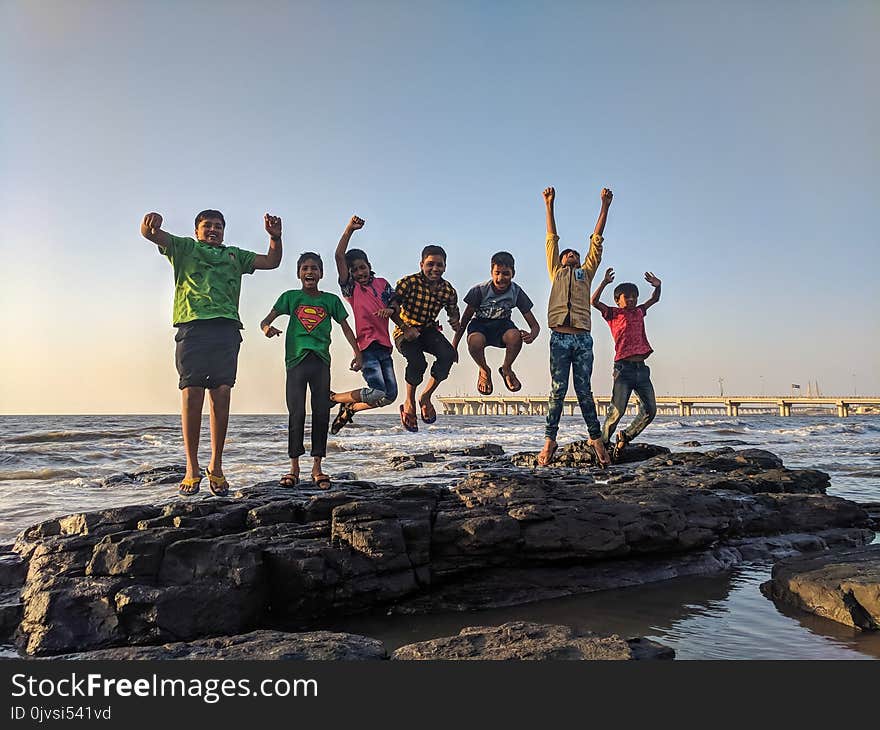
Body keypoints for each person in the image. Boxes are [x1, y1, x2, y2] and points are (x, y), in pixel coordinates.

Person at [140, 210, 282, 497]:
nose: (213, 230)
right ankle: (192, 467)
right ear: (197, 230)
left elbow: (271, 261)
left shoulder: (234, 255)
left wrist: (274, 237)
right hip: (192, 327)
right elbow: (151, 235)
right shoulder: (185, 248)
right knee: (191, 393)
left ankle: (215, 466)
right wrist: (150, 223)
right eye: (208, 226)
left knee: (221, 393)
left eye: (218, 226)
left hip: (226, 329)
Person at [260, 252, 361, 489]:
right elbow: (265, 320)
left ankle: (317, 467)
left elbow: (346, 328)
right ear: (298, 273)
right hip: (295, 361)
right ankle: (293, 467)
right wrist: (266, 328)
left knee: (320, 413)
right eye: (305, 268)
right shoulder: (290, 297)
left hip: (320, 361)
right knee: (296, 413)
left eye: (314, 268)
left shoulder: (330, 300)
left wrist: (358, 352)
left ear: (321, 273)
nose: (310, 272)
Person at [536, 186, 613, 468]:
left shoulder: (586, 273)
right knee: (557, 391)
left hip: (582, 340)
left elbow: (596, 242)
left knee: (584, 391)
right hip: (559, 337)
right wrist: (549, 204)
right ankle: (549, 440)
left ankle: (595, 439)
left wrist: (604, 206)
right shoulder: (555, 271)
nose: (570, 255)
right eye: (566, 254)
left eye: (574, 255)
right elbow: (551, 239)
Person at [328, 215, 400, 434]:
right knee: (377, 392)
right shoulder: (352, 290)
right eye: (355, 270)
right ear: (350, 274)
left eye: (362, 267)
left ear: (369, 266)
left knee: (390, 396)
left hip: (385, 347)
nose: (360, 273)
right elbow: (339, 256)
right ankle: (333, 398)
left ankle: (350, 408)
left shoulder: (382, 284)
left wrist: (392, 310)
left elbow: (395, 303)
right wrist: (350, 229)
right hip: (367, 346)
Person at [591, 267, 661, 460]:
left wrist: (658, 286)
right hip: (623, 369)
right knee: (617, 410)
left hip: (642, 370)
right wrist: (604, 282)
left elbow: (654, 299)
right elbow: (593, 302)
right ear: (617, 300)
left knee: (650, 410)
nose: (631, 300)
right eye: (627, 297)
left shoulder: (639, 311)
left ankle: (625, 436)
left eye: (634, 297)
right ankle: (603, 444)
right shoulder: (613, 314)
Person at [452, 251, 540, 394]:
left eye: (506, 273)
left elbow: (535, 325)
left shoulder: (516, 292)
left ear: (513, 273)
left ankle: (506, 368)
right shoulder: (479, 291)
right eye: (497, 273)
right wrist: (454, 346)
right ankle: (484, 369)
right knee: (475, 341)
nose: (500, 278)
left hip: (502, 326)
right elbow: (464, 321)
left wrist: (532, 335)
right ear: (491, 272)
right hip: (480, 325)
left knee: (515, 335)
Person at [394, 245, 460, 432]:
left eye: (439, 265)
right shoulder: (408, 283)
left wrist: (455, 322)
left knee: (448, 355)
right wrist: (406, 328)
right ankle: (409, 402)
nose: (435, 269)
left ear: (445, 267)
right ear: (422, 264)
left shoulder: (447, 290)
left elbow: (453, 312)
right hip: (405, 330)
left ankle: (426, 397)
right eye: (430, 264)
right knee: (418, 362)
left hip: (429, 330)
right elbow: (392, 308)